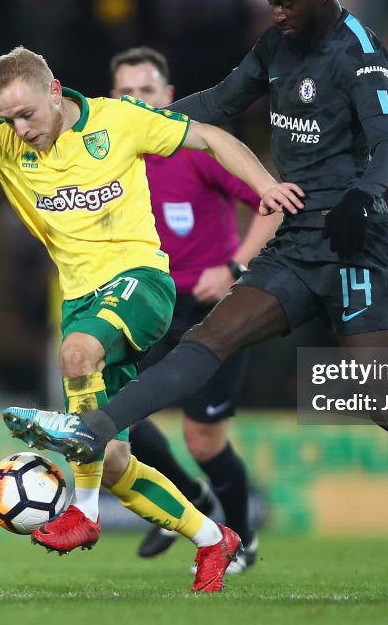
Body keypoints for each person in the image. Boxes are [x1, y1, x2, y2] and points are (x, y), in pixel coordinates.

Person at [3, 0, 388, 593]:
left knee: (384, 398)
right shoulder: (275, 47)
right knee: (212, 334)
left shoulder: (359, 51)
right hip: (296, 242)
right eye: (270, 3)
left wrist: (359, 196)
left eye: (287, 2)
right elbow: (219, 101)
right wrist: (135, 125)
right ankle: (93, 428)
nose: (277, 14)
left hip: (355, 242)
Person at [0, 45, 304, 593]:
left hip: (142, 281)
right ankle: (215, 539)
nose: (19, 128)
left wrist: (265, 186)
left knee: (75, 353)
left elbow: (211, 136)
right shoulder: (2, 142)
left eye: (26, 114)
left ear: (54, 92)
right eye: (7, 118)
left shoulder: (119, 120)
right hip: (83, 300)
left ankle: (84, 514)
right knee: (119, 461)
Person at [110, 47, 280, 569]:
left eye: (144, 91)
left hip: (212, 311)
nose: (134, 100)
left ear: (167, 96)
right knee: (117, 416)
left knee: (203, 440)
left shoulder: (196, 149)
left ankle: (242, 540)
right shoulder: (106, 157)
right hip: (148, 305)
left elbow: (272, 204)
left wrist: (234, 267)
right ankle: (192, 505)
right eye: (124, 93)